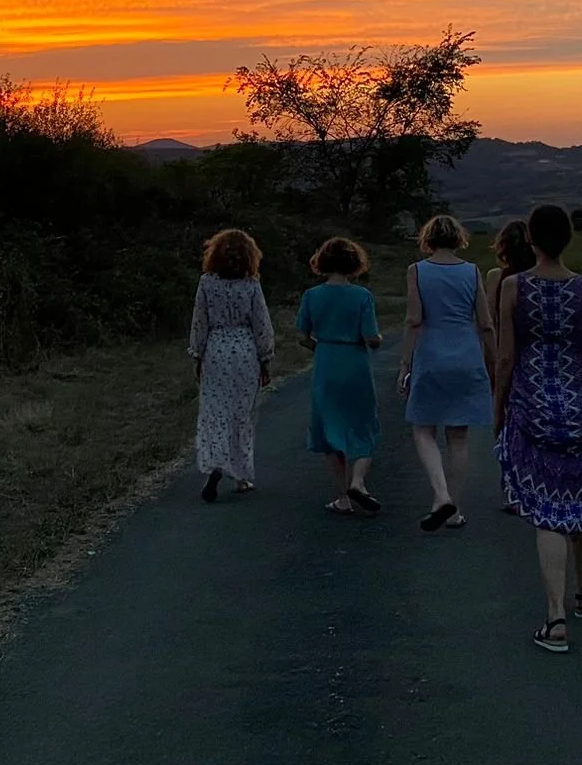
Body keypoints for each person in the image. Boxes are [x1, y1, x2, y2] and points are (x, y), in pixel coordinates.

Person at [493, 203, 582, 655]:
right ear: (569, 238)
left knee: (547, 511)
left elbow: (507, 358)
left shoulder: (513, 287)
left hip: (532, 410)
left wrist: (498, 408)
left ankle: (555, 618)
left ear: (530, 240)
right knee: (580, 498)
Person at [397, 213, 496, 532]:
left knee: (423, 428)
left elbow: (414, 319)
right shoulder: (471, 271)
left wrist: (404, 364)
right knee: (459, 436)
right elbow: (485, 322)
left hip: (431, 354)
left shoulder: (417, 271)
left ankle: (440, 495)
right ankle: (454, 508)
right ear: (458, 238)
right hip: (467, 354)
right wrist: (493, 361)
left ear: (427, 238)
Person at [295, 236, 384, 515]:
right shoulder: (362, 296)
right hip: (354, 361)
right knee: (363, 423)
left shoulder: (312, 296)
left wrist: (320, 346)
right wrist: (378, 340)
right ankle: (358, 481)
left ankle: (343, 497)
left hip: (326, 361)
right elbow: (371, 337)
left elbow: (301, 336)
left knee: (329, 429)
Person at [188, 228, 276, 503]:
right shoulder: (251, 285)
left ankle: (216, 464)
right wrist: (266, 360)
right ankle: (239, 476)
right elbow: (261, 325)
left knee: (215, 411)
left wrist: (197, 355)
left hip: (216, 349)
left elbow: (199, 321)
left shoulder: (207, 283)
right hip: (244, 350)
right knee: (242, 414)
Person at [483, 219, 535, 516]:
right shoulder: (539, 277)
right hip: (533, 357)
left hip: (505, 354)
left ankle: (511, 487)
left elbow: (489, 320)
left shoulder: (497, 278)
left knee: (503, 419)